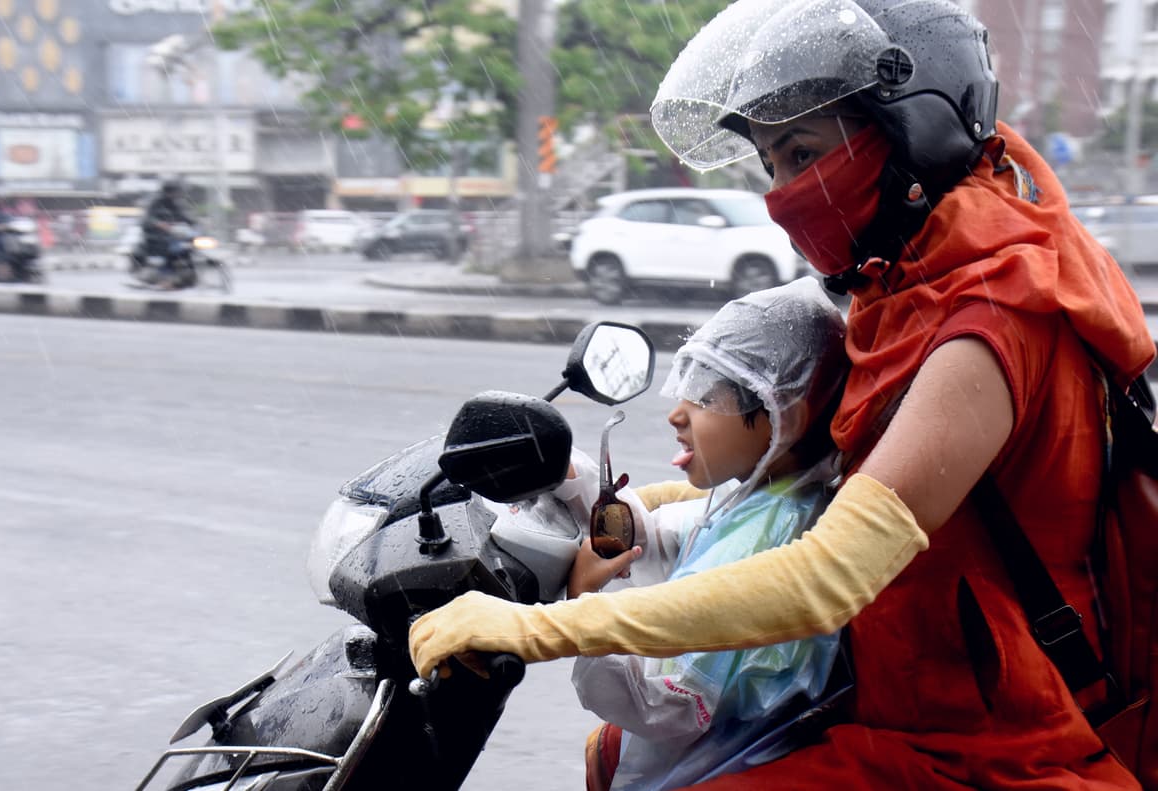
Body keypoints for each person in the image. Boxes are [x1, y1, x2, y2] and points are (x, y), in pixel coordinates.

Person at [409, 1, 1153, 787]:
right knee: (616, 760)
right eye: (771, 164)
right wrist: (601, 494)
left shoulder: (990, 319)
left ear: (913, 134)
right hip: (894, 686)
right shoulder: (905, 283)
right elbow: (813, 483)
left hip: (990, 741)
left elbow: (826, 574)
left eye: (803, 152)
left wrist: (543, 628)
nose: (786, 193)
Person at [554, 277, 849, 791]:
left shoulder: (769, 544)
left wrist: (585, 609)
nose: (676, 413)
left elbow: (671, 706)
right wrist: (562, 472)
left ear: (785, 414)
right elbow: (656, 536)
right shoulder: (766, 499)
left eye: (707, 396)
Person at [142, 180, 194, 283]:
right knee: (170, 250)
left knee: (188, 245)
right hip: (156, 235)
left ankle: (187, 273)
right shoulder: (156, 202)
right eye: (175, 192)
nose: (177, 194)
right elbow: (148, 218)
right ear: (168, 191)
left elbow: (183, 216)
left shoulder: (174, 203)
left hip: (173, 234)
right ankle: (165, 275)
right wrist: (159, 224)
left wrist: (195, 223)